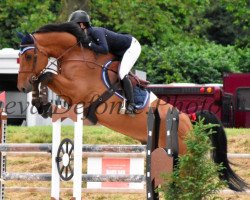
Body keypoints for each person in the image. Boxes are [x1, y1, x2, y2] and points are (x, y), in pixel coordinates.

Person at [68, 10, 141, 114]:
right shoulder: (87, 36)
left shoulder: (96, 31)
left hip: (131, 46)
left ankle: (132, 104)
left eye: (74, 26)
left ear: (82, 25)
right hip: (121, 50)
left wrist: (88, 44)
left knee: (122, 73)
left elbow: (104, 49)